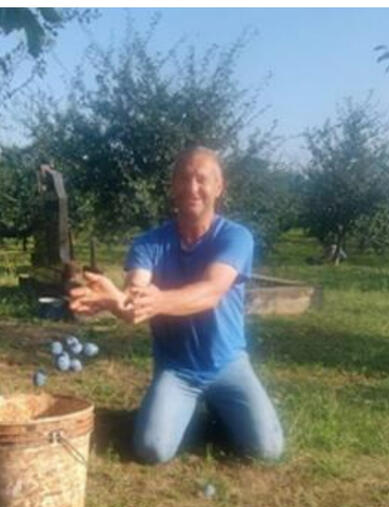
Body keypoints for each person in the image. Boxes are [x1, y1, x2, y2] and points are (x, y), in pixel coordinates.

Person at [68, 146, 284, 464]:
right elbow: (134, 302)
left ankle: (214, 410)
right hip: (177, 369)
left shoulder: (236, 237)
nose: (192, 187)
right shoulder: (148, 243)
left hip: (229, 364)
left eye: (201, 179)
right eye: (183, 178)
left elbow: (211, 291)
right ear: (173, 187)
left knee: (267, 451)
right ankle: (185, 410)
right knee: (152, 449)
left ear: (219, 187)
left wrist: (155, 300)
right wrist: (113, 299)